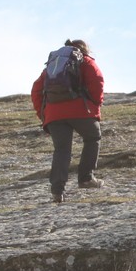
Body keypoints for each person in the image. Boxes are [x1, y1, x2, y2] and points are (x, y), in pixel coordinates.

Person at [31, 39, 105, 204]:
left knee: (62, 150)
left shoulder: (52, 66)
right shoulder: (86, 61)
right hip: (80, 110)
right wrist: (94, 106)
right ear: (84, 49)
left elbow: (36, 90)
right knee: (93, 137)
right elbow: (97, 82)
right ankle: (86, 179)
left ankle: (57, 191)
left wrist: (44, 114)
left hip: (54, 114)